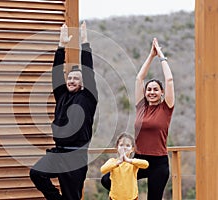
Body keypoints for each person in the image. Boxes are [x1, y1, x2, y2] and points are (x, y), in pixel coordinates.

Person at [29, 21, 98, 200]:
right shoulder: (62, 95)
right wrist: (61, 46)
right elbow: (55, 73)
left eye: (76, 78)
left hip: (76, 156)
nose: (71, 80)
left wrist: (84, 42)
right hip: (58, 152)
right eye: (69, 78)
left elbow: (89, 71)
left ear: (83, 83)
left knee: (72, 197)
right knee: (37, 173)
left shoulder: (88, 97)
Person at [101, 38, 175, 200]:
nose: (151, 92)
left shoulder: (166, 108)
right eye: (149, 89)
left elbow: (169, 80)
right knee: (107, 180)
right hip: (139, 159)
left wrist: (161, 56)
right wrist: (150, 55)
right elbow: (138, 79)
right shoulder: (141, 106)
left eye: (156, 89)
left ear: (162, 92)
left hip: (159, 163)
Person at [100, 133, 149, 200]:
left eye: (128, 145)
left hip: (132, 198)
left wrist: (129, 160)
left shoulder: (133, 162)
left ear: (132, 149)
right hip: (115, 198)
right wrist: (117, 163)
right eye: (121, 145)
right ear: (117, 147)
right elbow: (103, 170)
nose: (124, 148)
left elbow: (146, 164)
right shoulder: (113, 161)